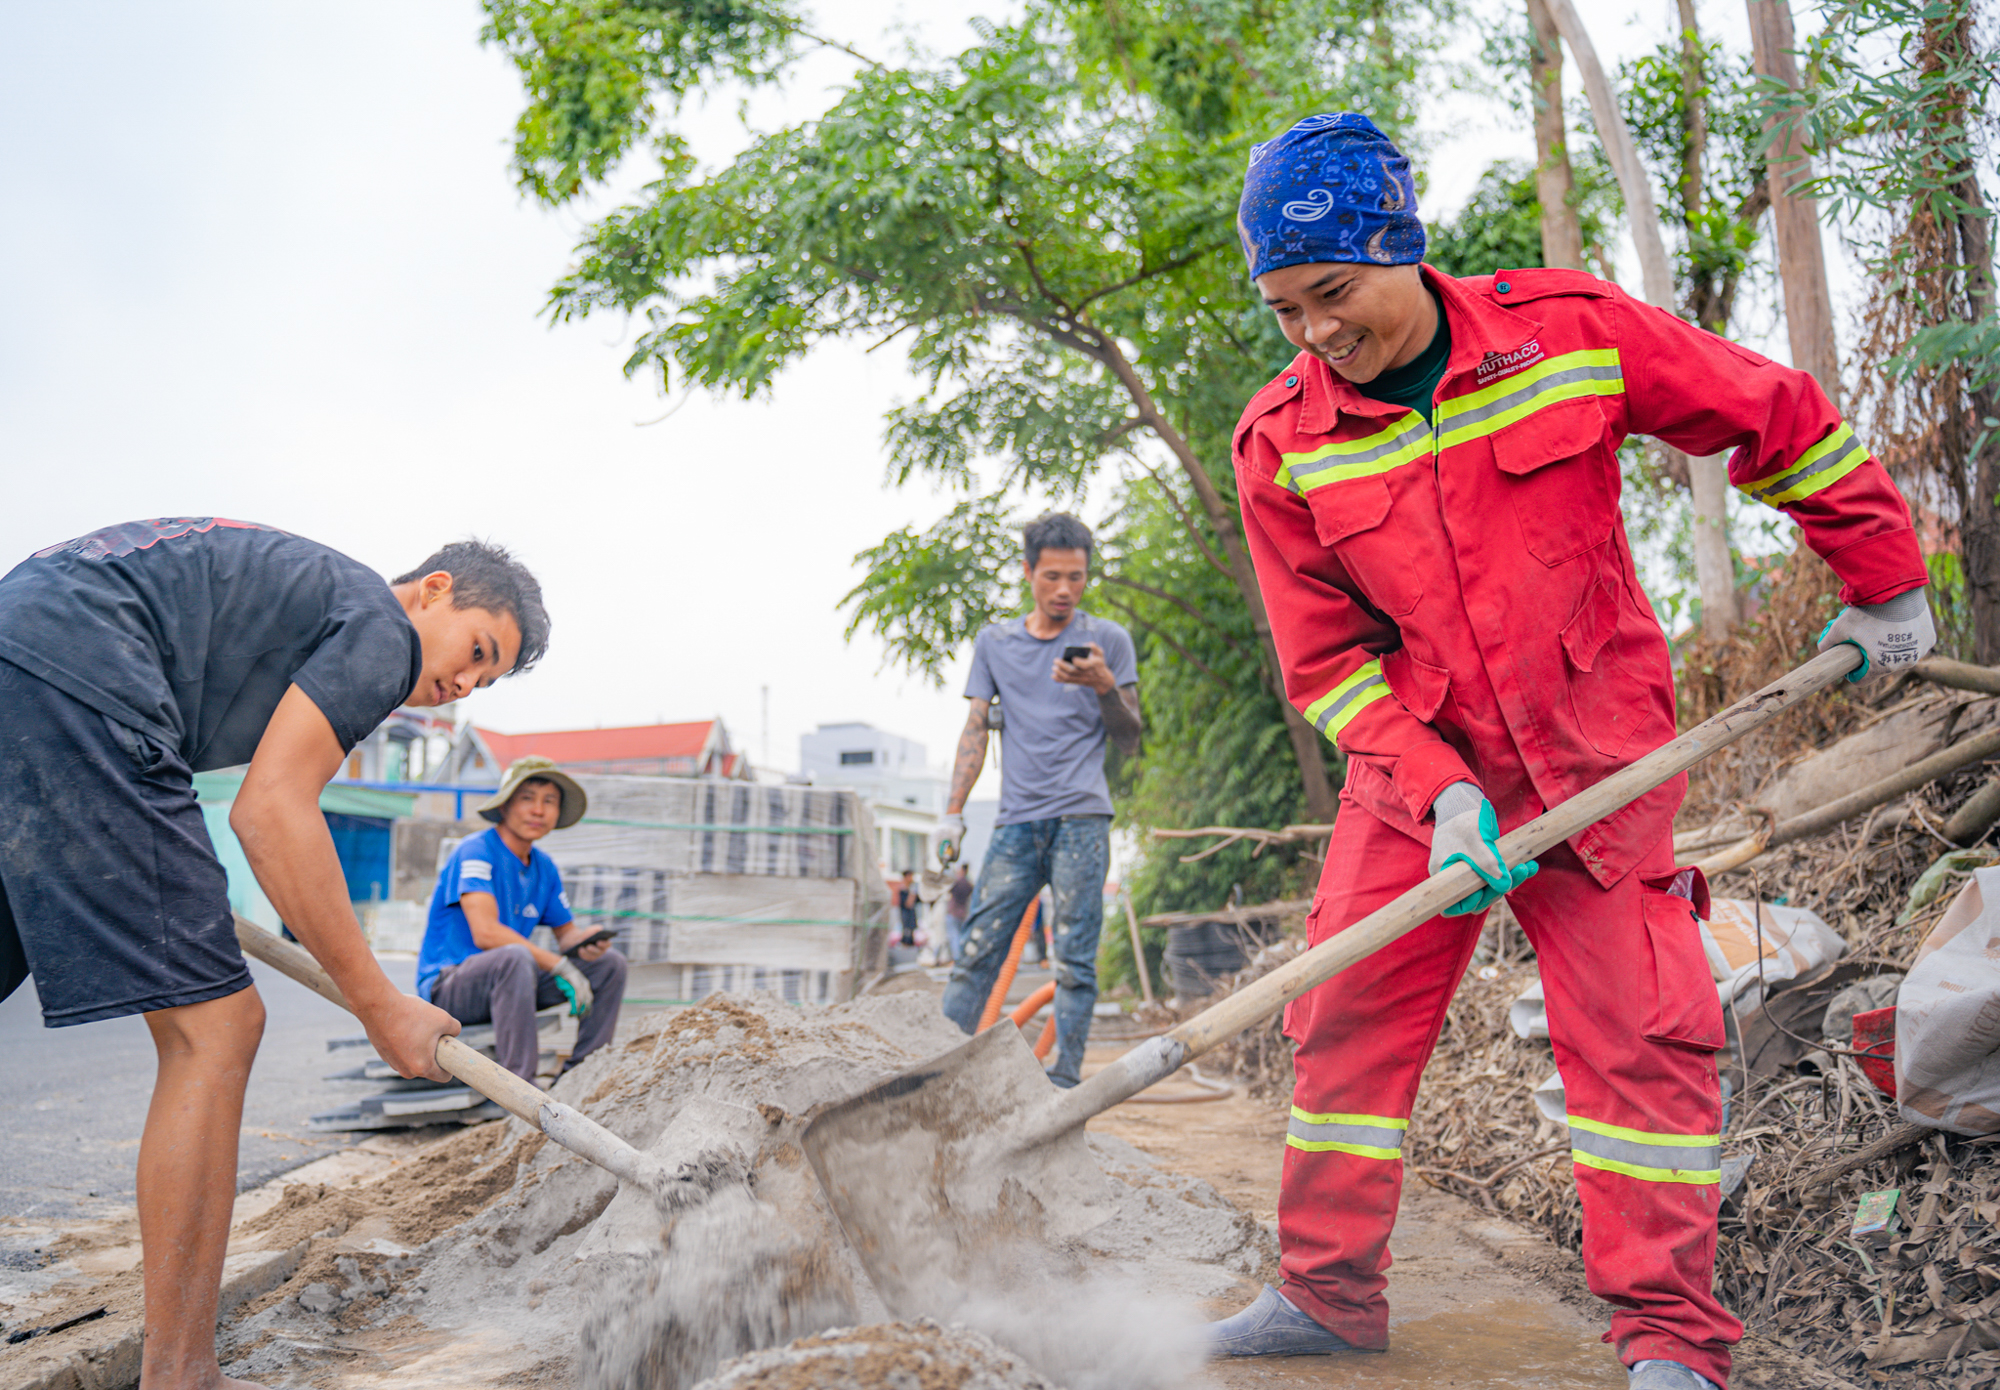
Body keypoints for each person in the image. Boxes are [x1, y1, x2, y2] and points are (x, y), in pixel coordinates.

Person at [1207, 115, 1934, 1390]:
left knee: (1637, 1032)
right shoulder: (1282, 440)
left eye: (1331, 293)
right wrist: (1432, 791)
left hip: (1594, 754)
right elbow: (1324, 667)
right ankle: (1324, 1295)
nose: (1312, 333)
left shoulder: (1566, 331)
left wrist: (1880, 576)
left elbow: (1772, 413)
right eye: (1281, 310)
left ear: (1400, 251)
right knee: (1342, 1016)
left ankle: (1666, 1336)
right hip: (1415, 772)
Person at [0, 519, 551, 1390]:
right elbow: (272, 810)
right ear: (436, 588)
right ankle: (182, 1374)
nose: (465, 684)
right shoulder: (379, 625)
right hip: (87, 677)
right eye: (479, 650)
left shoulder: (312, 599)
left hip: (21, 650)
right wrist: (382, 1003)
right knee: (217, 1028)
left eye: (487, 678)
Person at [936, 513, 1143, 1087]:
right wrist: (951, 813)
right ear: (1027, 571)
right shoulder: (996, 644)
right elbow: (975, 727)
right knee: (977, 950)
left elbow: (1130, 739)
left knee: (1074, 959)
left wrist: (1104, 686)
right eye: (1051, 576)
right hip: (1017, 823)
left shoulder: (1110, 642)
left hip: (1082, 818)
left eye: (1075, 578)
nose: (1063, 590)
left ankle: (1065, 1084)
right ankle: (939, 1073)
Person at [416, 755, 627, 1082]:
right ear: (505, 806)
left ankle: (581, 1078)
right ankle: (519, 1088)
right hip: (452, 988)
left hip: (514, 983)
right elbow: (485, 933)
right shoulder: (475, 851)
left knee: (610, 964)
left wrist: (587, 943)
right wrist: (559, 966)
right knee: (515, 958)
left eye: (549, 801)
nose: (538, 810)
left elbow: (566, 936)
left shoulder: (544, 867)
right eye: (527, 798)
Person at [943, 864, 974, 963]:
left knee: (954, 937)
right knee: (961, 937)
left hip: (953, 913)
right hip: (962, 913)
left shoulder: (956, 882)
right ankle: (962, 958)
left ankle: (957, 959)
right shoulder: (968, 884)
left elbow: (945, 887)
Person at [895, 868, 921, 947]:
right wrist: (912, 893)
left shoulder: (912, 889)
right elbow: (908, 903)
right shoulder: (903, 890)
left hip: (911, 915)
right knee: (907, 935)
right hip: (906, 916)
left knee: (911, 935)